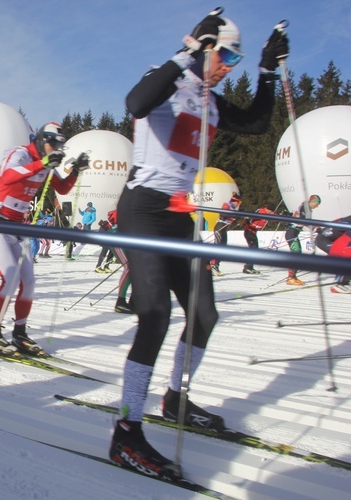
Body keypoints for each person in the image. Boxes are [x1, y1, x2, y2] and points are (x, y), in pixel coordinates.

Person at [110, 12, 287, 479]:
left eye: (237, 57)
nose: (230, 64)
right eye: (225, 53)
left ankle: (175, 398)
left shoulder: (210, 99)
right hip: (144, 209)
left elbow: (255, 123)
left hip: (180, 214)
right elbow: (136, 102)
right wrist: (186, 51)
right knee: (154, 316)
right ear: (204, 47)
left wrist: (267, 72)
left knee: (204, 314)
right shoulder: (167, 78)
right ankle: (126, 429)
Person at [0, 122, 88, 355]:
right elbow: (7, 177)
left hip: (19, 227)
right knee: (10, 279)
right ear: (42, 140)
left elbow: (62, 189)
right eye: (54, 144)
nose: (56, 149)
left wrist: (76, 171)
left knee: (28, 283)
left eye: (60, 145)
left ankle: (19, 333)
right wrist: (41, 163)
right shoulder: (20, 153)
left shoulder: (48, 162)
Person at [285, 194, 321, 286]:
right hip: (292, 232)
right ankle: (290, 278)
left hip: (294, 232)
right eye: (317, 204)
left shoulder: (306, 208)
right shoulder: (305, 207)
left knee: (298, 253)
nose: (317, 206)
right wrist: (315, 228)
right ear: (313, 202)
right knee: (296, 253)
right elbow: (304, 221)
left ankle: (293, 276)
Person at [315, 215, 351, 293]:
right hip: (325, 240)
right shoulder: (350, 220)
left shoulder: (350, 219)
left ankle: (320, 266)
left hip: (333, 241)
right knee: (343, 259)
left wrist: (322, 229)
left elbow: (336, 221)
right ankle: (339, 283)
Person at [210, 193, 241, 276]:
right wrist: (234, 215)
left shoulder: (233, 209)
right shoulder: (227, 205)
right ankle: (212, 265)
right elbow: (223, 214)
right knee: (218, 247)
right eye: (238, 202)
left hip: (224, 229)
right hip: (220, 227)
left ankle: (216, 266)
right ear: (235, 201)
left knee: (223, 248)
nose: (238, 204)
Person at [242, 204, 275, 274]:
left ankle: (249, 266)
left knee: (254, 249)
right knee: (253, 249)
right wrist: (247, 218)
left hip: (253, 232)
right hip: (249, 231)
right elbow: (253, 215)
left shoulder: (267, 214)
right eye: (272, 212)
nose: (272, 213)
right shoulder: (261, 212)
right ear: (268, 210)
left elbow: (275, 217)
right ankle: (247, 267)